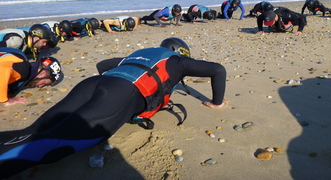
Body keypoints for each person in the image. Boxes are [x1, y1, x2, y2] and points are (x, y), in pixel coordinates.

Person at [0, 38, 228, 178]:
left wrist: (104, 93)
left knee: (35, 129)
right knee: (55, 142)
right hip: (122, 91)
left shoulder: (139, 55)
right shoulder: (178, 61)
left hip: (93, 83)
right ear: (180, 52)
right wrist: (216, 102)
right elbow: (218, 69)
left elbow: (102, 65)